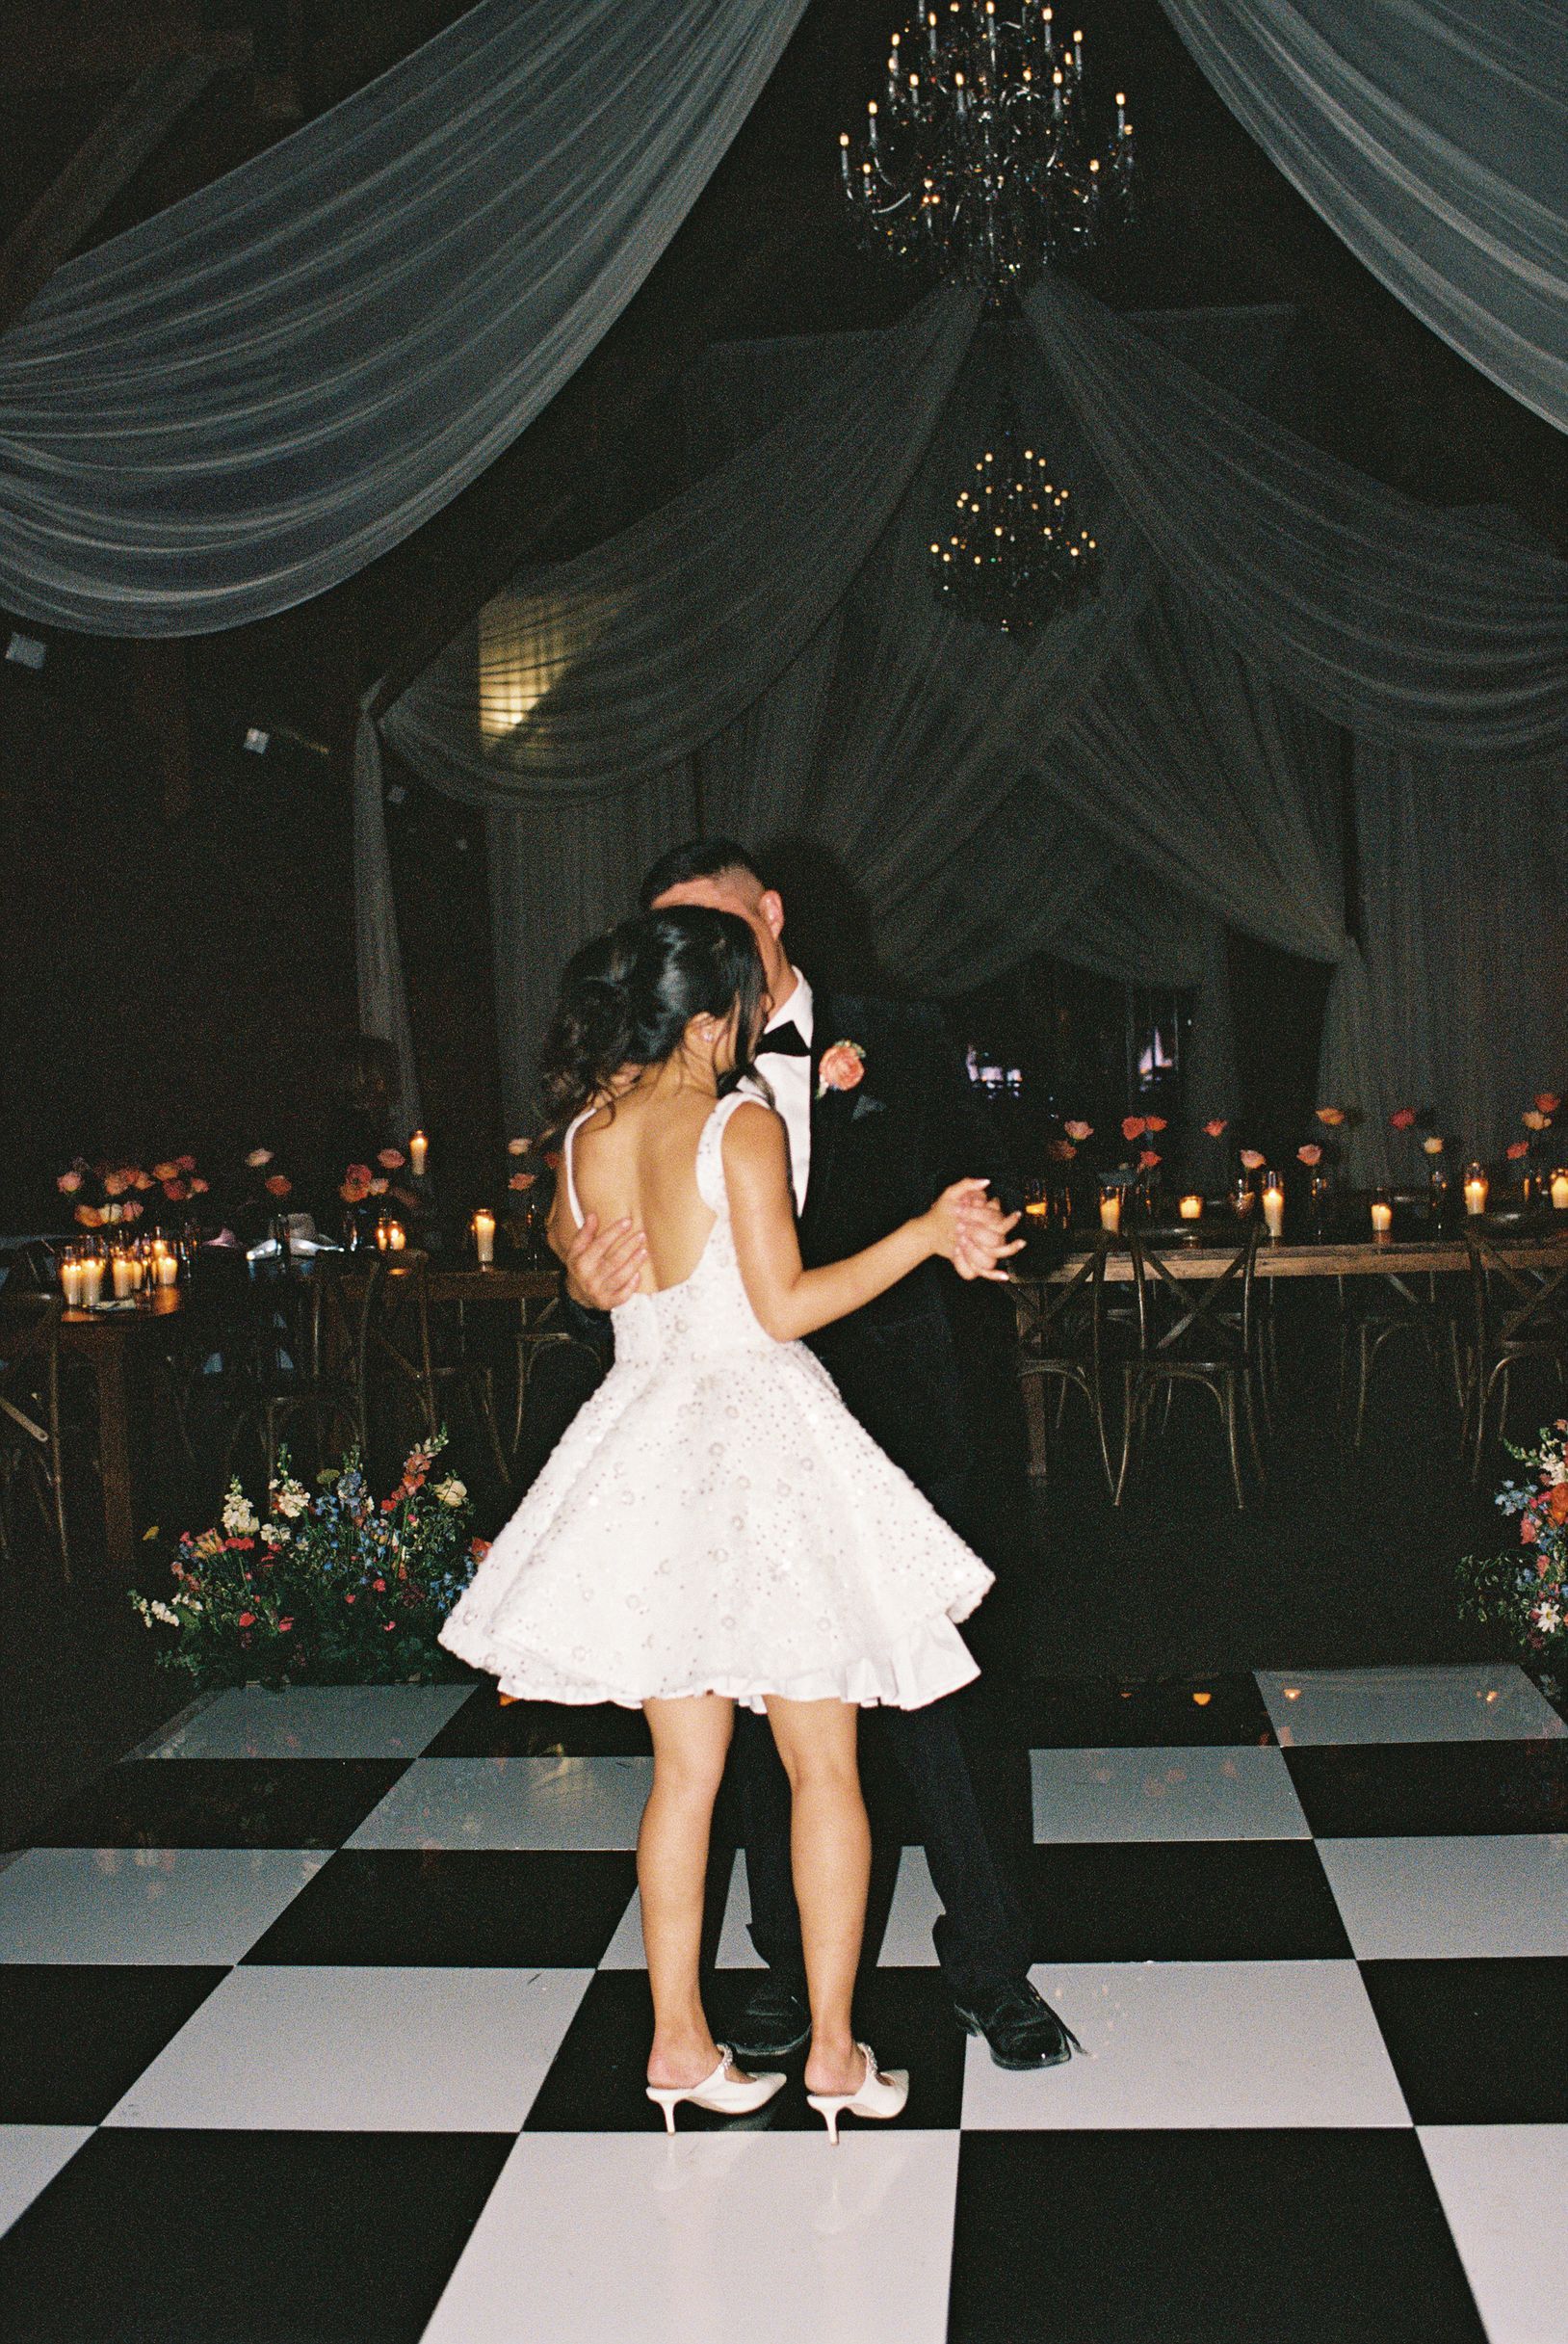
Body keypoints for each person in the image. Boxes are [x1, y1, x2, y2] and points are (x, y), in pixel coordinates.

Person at [438, 905, 1021, 2137]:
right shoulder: (734, 1122)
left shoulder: (586, 1133)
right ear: (712, 1021)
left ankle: (677, 2045)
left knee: (684, 1778)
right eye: (746, 1007)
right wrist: (922, 1235)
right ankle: (832, 2055)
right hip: (757, 1452)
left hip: (644, 1450)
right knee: (823, 1766)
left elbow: (594, 1270)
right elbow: (784, 1307)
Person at [562, 838, 1080, 2073]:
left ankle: (991, 1971)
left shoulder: (901, 1032)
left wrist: (974, 1222)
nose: (704, 966)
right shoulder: (683, 1091)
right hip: (732, 1434)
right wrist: (576, 1264)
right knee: (756, 1737)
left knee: (935, 1715)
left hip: (896, 1420)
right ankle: (794, 1983)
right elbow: (602, 1219)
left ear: (773, 917)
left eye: (720, 932)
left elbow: (998, 1176)